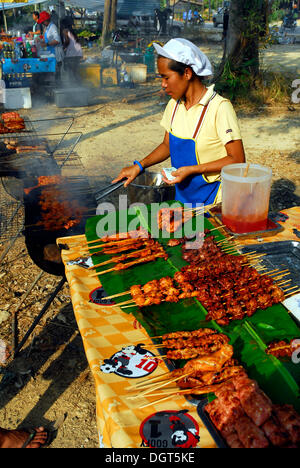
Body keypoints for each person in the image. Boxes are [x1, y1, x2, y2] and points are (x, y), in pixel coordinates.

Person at [112, 38, 245, 207]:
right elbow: (167, 145)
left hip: (215, 202)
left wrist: (192, 170)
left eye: (166, 77)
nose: (163, 84)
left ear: (187, 73)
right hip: (184, 199)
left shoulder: (219, 108)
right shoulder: (174, 105)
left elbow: (237, 159)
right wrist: (139, 166)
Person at [37, 11, 64, 84]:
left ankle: (58, 87)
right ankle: (53, 84)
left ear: (46, 20)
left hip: (56, 53)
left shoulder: (53, 27)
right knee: (52, 72)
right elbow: (46, 38)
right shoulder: (47, 28)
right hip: (52, 52)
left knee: (57, 73)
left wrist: (47, 44)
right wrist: (40, 41)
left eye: (43, 21)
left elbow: (57, 40)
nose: (42, 23)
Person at [61, 18, 83, 84]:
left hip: (72, 53)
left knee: (71, 70)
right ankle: (78, 84)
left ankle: (74, 84)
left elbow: (67, 41)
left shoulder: (65, 31)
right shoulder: (71, 31)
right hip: (78, 52)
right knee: (75, 70)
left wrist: (63, 47)